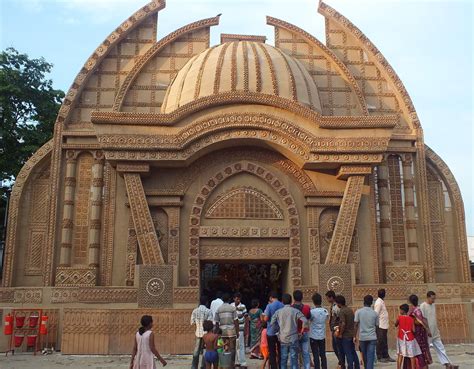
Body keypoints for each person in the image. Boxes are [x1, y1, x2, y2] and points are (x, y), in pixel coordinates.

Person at [270, 293, 307, 369]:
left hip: (283, 338)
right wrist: (301, 332)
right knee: (294, 359)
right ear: (291, 301)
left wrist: (277, 332)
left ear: (282, 302)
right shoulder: (295, 311)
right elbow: (305, 321)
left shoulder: (278, 312)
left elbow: (272, 323)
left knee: (283, 359)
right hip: (293, 337)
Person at [420, 291, 454, 368]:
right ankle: (423, 365)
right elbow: (423, 319)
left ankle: (447, 364)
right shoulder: (423, 306)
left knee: (441, 348)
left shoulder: (433, 305)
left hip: (435, 331)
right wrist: (427, 330)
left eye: (434, 299)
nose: (433, 300)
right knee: (425, 349)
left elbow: (433, 318)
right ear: (428, 297)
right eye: (432, 299)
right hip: (427, 332)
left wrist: (436, 329)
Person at [215, 293, 240, 369]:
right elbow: (236, 321)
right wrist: (237, 331)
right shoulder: (232, 308)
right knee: (232, 348)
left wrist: (217, 332)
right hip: (231, 331)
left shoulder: (219, 309)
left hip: (222, 332)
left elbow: (216, 322)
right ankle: (231, 365)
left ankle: (223, 364)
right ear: (229, 300)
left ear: (222, 300)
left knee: (223, 348)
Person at [408, 294, 432, 369]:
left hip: (419, 332)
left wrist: (413, 321)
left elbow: (420, 321)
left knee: (420, 349)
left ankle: (423, 365)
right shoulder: (414, 309)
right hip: (417, 332)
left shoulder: (416, 310)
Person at [354, 295, 378, 369]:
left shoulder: (358, 312)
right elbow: (377, 326)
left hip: (363, 338)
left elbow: (356, 325)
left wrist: (354, 336)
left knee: (364, 356)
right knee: (370, 357)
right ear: (371, 303)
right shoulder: (375, 313)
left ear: (363, 302)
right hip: (372, 337)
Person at [335, 295, 359, 369]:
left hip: (345, 336)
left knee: (348, 353)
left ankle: (350, 367)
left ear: (339, 303)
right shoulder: (350, 310)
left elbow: (343, 323)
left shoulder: (342, 311)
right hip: (351, 334)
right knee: (353, 352)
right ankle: (357, 366)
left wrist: (340, 334)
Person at [395, 304, 421, 369]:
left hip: (401, 337)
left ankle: (398, 368)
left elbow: (395, 324)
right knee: (412, 355)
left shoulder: (399, 317)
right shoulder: (411, 319)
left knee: (400, 354)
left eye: (400, 310)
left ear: (402, 310)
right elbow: (414, 330)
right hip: (410, 338)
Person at [262, 292, 284, 369]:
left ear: (271, 298)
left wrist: (263, 318)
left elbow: (266, 318)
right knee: (281, 350)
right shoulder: (283, 305)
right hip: (281, 332)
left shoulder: (269, 306)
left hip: (271, 332)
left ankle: (274, 367)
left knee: (272, 352)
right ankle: (281, 366)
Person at [191, 296, 214, 369]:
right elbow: (210, 323)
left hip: (198, 333)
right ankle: (203, 366)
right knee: (205, 350)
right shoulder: (208, 311)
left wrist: (198, 325)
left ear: (200, 302)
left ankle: (194, 366)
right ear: (206, 302)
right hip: (206, 334)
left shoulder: (195, 311)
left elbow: (192, 322)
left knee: (196, 351)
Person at [373, 289, 395, 363]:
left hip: (384, 325)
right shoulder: (378, 303)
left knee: (384, 341)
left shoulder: (381, 302)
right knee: (380, 341)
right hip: (380, 325)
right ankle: (379, 357)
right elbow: (376, 314)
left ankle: (386, 356)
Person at [292, 290, 311, 369]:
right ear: (302, 297)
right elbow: (309, 317)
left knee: (294, 354)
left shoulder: (291, 308)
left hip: (294, 333)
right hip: (304, 332)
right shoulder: (307, 307)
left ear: (294, 298)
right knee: (306, 353)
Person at [325, 290, 344, 369]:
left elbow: (340, 318)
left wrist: (338, 330)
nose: (327, 300)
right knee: (336, 347)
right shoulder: (333, 305)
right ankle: (341, 362)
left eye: (327, 298)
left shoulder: (336, 306)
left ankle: (341, 363)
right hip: (334, 329)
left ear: (331, 297)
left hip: (337, 330)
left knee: (338, 347)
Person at [309, 292, 328, 369]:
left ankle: (317, 367)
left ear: (313, 301)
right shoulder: (325, 311)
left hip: (313, 336)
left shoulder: (311, 312)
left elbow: (309, 320)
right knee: (323, 353)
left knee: (315, 354)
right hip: (322, 335)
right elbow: (326, 319)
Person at [231, 292, 249, 368]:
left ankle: (243, 363)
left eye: (238, 299)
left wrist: (245, 329)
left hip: (241, 329)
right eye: (236, 298)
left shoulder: (243, 306)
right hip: (232, 329)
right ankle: (236, 362)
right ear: (233, 298)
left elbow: (246, 318)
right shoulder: (231, 306)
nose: (237, 300)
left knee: (241, 346)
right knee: (234, 346)